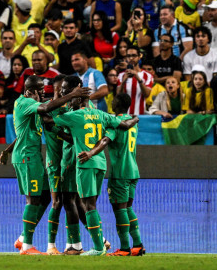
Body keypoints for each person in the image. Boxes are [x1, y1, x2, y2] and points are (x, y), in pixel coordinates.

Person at [53, 75, 137, 256]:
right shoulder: (101, 114)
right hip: (101, 163)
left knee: (87, 205)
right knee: (92, 205)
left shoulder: (73, 116)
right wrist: (135, 119)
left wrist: (64, 99)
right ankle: (101, 243)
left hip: (84, 163)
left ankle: (98, 247)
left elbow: (51, 118)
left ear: (77, 96)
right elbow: (123, 124)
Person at [8, 75, 90, 255]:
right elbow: (46, 107)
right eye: (38, 91)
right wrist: (71, 95)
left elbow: (24, 129)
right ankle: (27, 246)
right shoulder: (25, 103)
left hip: (32, 156)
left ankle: (23, 238)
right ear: (29, 91)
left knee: (45, 197)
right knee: (33, 200)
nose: (41, 95)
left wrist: (8, 149)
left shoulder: (28, 105)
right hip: (27, 157)